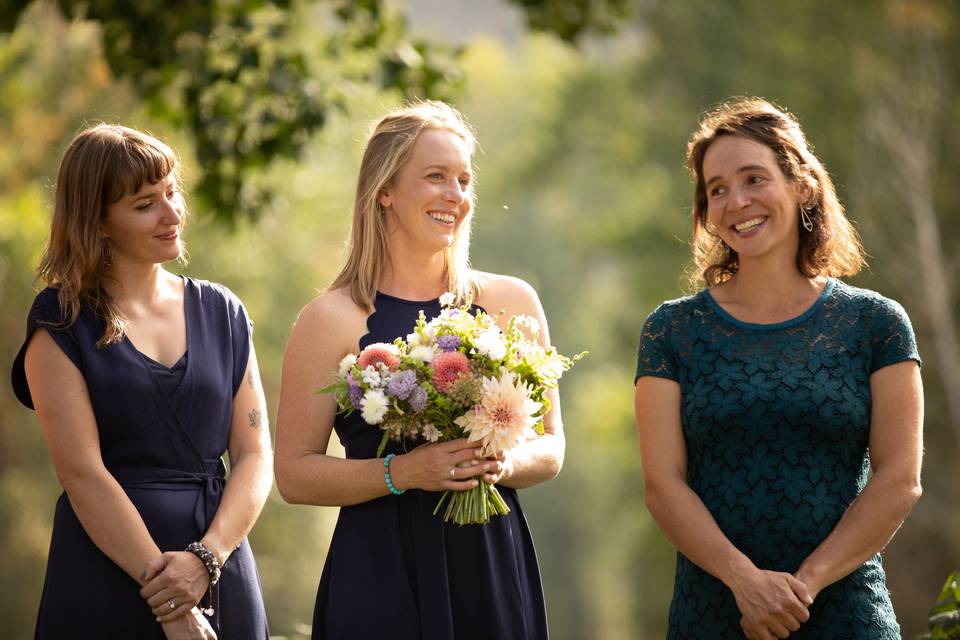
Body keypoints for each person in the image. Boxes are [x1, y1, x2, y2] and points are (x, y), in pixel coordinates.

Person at [634, 98, 923, 640]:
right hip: (713, 615)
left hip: (845, 614)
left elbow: (899, 479)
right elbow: (662, 485)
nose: (735, 201)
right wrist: (745, 583)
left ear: (803, 185)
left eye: (753, 178)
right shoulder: (670, 331)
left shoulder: (876, 324)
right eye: (716, 189)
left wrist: (800, 589)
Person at [274, 100, 562, 640]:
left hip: (489, 564)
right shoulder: (329, 319)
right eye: (435, 177)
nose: (455, 195)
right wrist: (402, 474)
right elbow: (293, 474)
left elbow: (551, 446)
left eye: (463, 180)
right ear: (385, 190)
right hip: (380, 569)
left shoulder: (511, 302)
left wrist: (500, 462)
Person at [11, 124, 272, 639]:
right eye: (144, 203)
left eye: (172, 192)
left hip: (219, 564)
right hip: (108, 572)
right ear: (98, 221)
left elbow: (256, 454)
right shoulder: (61, 321)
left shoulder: (222, 311)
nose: (172, 214)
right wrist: (173, 605)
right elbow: (81, 473)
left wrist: (207, 559)